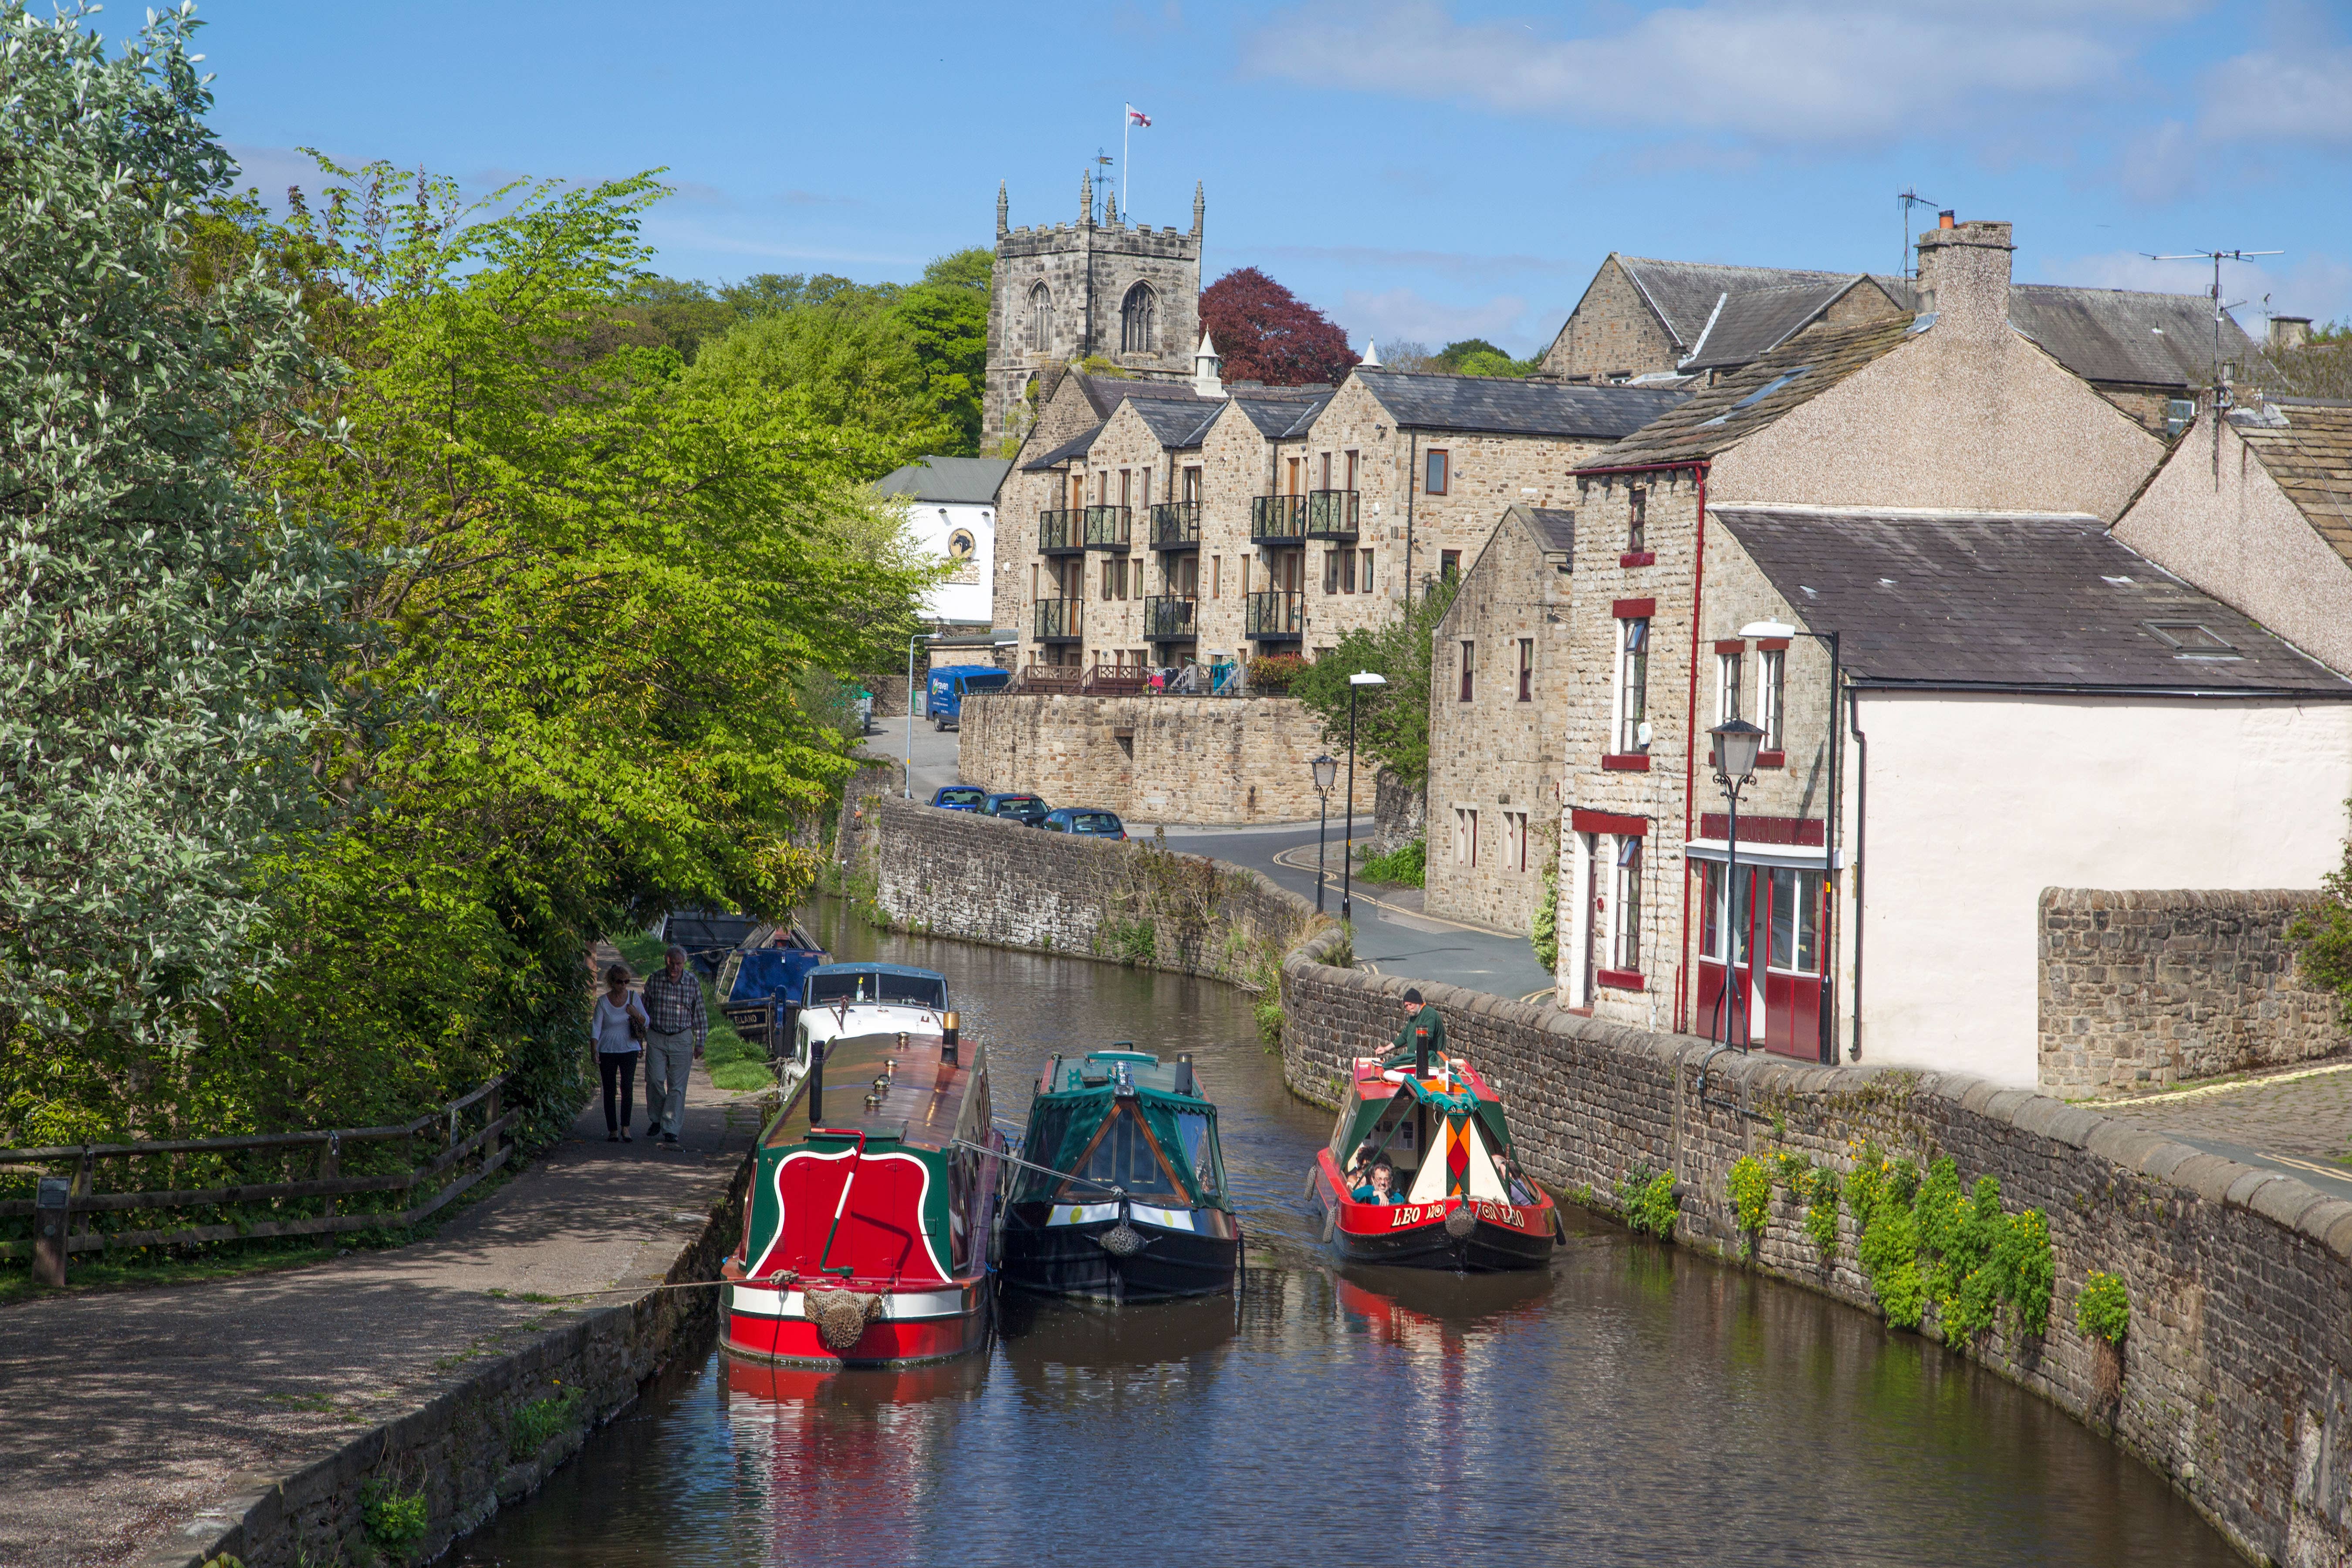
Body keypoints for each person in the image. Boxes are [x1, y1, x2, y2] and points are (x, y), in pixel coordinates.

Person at [640, 943, 708, 1147]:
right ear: (666, 961)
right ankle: (657, 1118)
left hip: (682, 1037)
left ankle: (671, 1128)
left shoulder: (692, 982)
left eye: (679, 964)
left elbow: (700, 1013)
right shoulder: (654, 980)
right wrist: (639, 1037)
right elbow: (644, 1010)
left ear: (684, 964)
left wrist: (700, 1042)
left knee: (677, 1087)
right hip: (657, 1036)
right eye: (672, 963)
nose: (675, 968)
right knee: (654, 1080)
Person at [592, 963, 648, 1143]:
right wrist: (594, 1049)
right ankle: (613, 1129)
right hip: (608, 1050)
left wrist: (636, 1013)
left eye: (627, 982)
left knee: (627, 1087)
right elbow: (596, 1028)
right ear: (611, 982)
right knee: (609, 1090)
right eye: (619, 982)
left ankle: (626, 1127)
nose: (623, 985)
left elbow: (646, 1021)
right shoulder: (603, 1002)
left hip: (629, 1049)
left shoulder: (633, 997)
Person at [1392, 987, 1446, 1071]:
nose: (1409, 1008)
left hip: (1430, 1061)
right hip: (1415, 1061)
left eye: (1410, 1005)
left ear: (1418, 1002)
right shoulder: (1413, 1017)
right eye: (1406, 1006)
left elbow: (1426, 1037)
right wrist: (1386, 1049)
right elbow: (1404, 1036)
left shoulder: (1429, 1014)